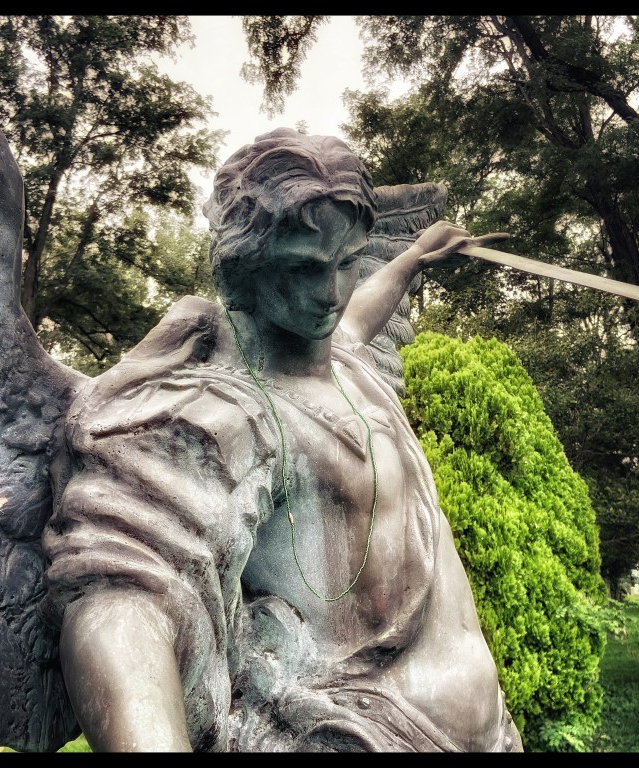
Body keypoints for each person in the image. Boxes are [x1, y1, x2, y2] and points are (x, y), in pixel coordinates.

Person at [42, 127, 522, 752]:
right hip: (347, 735)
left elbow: (354, 318)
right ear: (244, 268)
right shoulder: (215, 413)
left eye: (348, 261)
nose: (329, 293)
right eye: (302, 268)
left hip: (481, 733)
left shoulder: (346, 365)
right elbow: (121, 598)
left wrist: (411, 259)